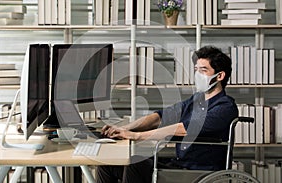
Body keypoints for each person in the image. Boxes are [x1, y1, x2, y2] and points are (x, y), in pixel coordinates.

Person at [96, 46, 239, 183]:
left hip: (198, 171)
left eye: (203, 70)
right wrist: (127, 129)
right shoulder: (196, 100)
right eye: (196, 70)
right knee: (107, 164)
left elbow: (183, 128)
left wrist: (136, 136)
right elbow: (161, 116)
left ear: (219, 76)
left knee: (135, 165)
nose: (197, 75)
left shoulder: (225, 107)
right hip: (178, 165)